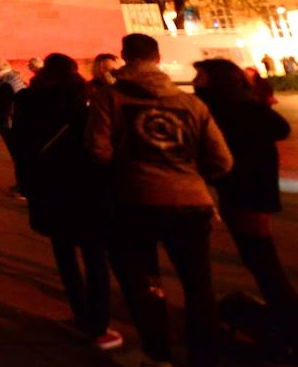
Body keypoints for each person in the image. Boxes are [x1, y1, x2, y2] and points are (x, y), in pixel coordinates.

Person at [86, 33, 232, 367]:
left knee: (142, 280)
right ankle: (205, 354)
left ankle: (157, 354)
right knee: (198, 282)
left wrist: (131, 168)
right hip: (192, 202)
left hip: (137, 200)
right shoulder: (190, 103)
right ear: (157, 58)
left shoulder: (110, 97)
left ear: (125, 57)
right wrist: (188, 174)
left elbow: (98, 149)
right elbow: (222, 161)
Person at [12, 53, 121, 351]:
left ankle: (80, 313)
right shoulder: (85, 100)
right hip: (88, 187)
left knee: (64, 253)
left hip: (50, 187)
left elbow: (20, 147)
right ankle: (99, 324)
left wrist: (29, 183)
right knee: (95, 256)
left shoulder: (28, 101)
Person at [192, 58, 296, 333]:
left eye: (200, 76)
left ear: (218, 81)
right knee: (258, 252)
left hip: (245, 188)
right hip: (251, 186)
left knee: (259, 253)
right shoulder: (242, 106)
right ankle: (283, 308)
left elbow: (280, 128)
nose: (194, 82)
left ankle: (286, 312)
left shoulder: (228, 109)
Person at [0, 58, 26, 196]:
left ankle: (23, 188)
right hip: (13, 123)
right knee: (19, 156)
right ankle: (22, 185)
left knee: (19, 156)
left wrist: (7, 124)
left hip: (11, 125)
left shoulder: (5, 82)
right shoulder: (10, 78)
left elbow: (10, 106)